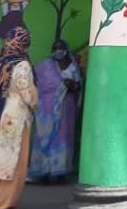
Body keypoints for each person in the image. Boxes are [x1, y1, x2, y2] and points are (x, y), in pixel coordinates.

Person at [0, 27, 38, 209]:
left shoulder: (3, 63)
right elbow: (27, 93)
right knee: (14, 161)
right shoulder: (22, 65)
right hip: (16, 120)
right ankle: (6, 203)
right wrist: (35, 101)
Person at [29, 39, 82, 183]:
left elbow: (79, 85)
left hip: (66, 109)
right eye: (55, 48)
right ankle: (43, 172)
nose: (58, 50)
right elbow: (36, 81)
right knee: (44, 137)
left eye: (61, 47)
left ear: (66, 49)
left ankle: (60, 172)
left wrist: (72, 85)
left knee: (64, 137)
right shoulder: (46, 65)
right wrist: (61, 84)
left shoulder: (73, 66)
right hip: (46, 109)